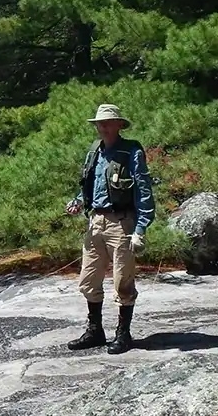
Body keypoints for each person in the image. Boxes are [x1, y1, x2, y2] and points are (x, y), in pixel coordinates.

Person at [64, 103, 155, 354]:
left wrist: (140, 228)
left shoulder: (132, 151)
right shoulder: (95, 151)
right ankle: (95, 331)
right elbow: (89, 185)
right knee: (88, 279)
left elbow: (143, 189)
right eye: (98, 123)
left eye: (106, 122)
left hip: (122, 223)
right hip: (96, 223)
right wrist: (78, 202)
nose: (102, 127)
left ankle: (123, 334)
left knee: (122, 282)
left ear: (118, 125)